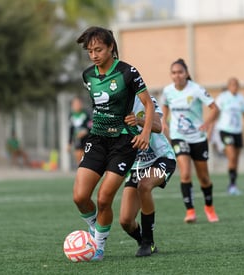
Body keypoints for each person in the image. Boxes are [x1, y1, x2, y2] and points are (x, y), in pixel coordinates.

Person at [72, 26, 155, 261]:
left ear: (111, 47)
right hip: (97, 139)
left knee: (103, 199)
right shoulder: (88, 76)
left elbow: (148, 105)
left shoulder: (128, 72)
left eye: (98, 49)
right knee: (79, 197)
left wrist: (145, 132)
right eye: (90, 51)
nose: (94, 54)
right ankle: (93, 227)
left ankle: (97, 247)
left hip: (123, 142)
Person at [161, 58, 219, 224]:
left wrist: (207, 123)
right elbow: (164, 105)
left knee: (204, 178)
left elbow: (215, 108)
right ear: (171, 75)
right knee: (185, 173)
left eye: (180, 72)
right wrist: (164, 120)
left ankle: (209, 207)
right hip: (179, 136)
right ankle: (190, 211)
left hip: (198, 138)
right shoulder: (167, 91)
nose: (177, 75)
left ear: (186, 73)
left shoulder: (196, 89)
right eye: (173, 72)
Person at [119, 96, 176, 257]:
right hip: (136, 167)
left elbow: (158, 126)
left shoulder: (145, 100)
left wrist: (138, 120)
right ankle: (143, 240)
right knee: (125, 221)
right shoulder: (111, 105)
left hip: (162, 159)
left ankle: (148, 243)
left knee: (144, 186)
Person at [215, 77, 244, 195]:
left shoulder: (241, 99)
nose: (234, 86)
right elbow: (215, 112)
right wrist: (209, 126)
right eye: (232, 84)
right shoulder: (223, 98)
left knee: (236, 160)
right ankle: (232, 185)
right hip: (225, 130)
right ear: (228, 86)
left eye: (236, 84)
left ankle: (232, 184)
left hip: (237, 131)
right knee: (232, 156)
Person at [68, 96, 92, 166]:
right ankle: (80, 171)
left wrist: (85, 132)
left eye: (78, 103)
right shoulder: (71, 115)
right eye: (75, 104)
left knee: (86, 157)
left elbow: (91, 125)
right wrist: (69, 143)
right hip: (77, 140)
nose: (77, 105)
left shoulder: (86, 114)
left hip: (87, 139)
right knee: (78, 156)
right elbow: (71, 129)